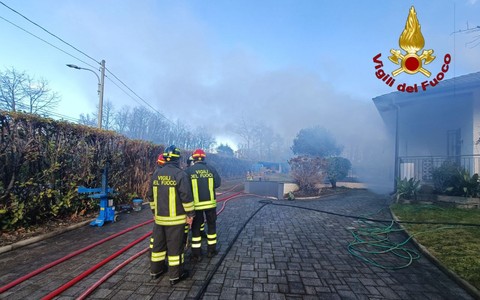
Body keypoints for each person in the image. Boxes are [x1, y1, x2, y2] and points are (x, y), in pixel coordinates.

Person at [147, 145, 194, 286]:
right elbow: (186, 197)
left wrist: (154, 213)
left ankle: (156, 271)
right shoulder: (180, 174)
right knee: (175, 247)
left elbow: (150, 196)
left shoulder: (156, 174)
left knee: (158, 246)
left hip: (160, 219)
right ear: (177, 159)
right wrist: (190, 214)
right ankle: (175, 275)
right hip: (176, 220)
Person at [186, 149, 221, 261]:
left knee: (196, 228)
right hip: (210, 205)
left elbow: (185, 189)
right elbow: (217, 183)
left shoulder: (189, 171)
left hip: (196, 206)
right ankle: (211, 251)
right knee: (211, 226)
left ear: (194, 158)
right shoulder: (211, 169)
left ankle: (196, 254)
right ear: (204, 158)